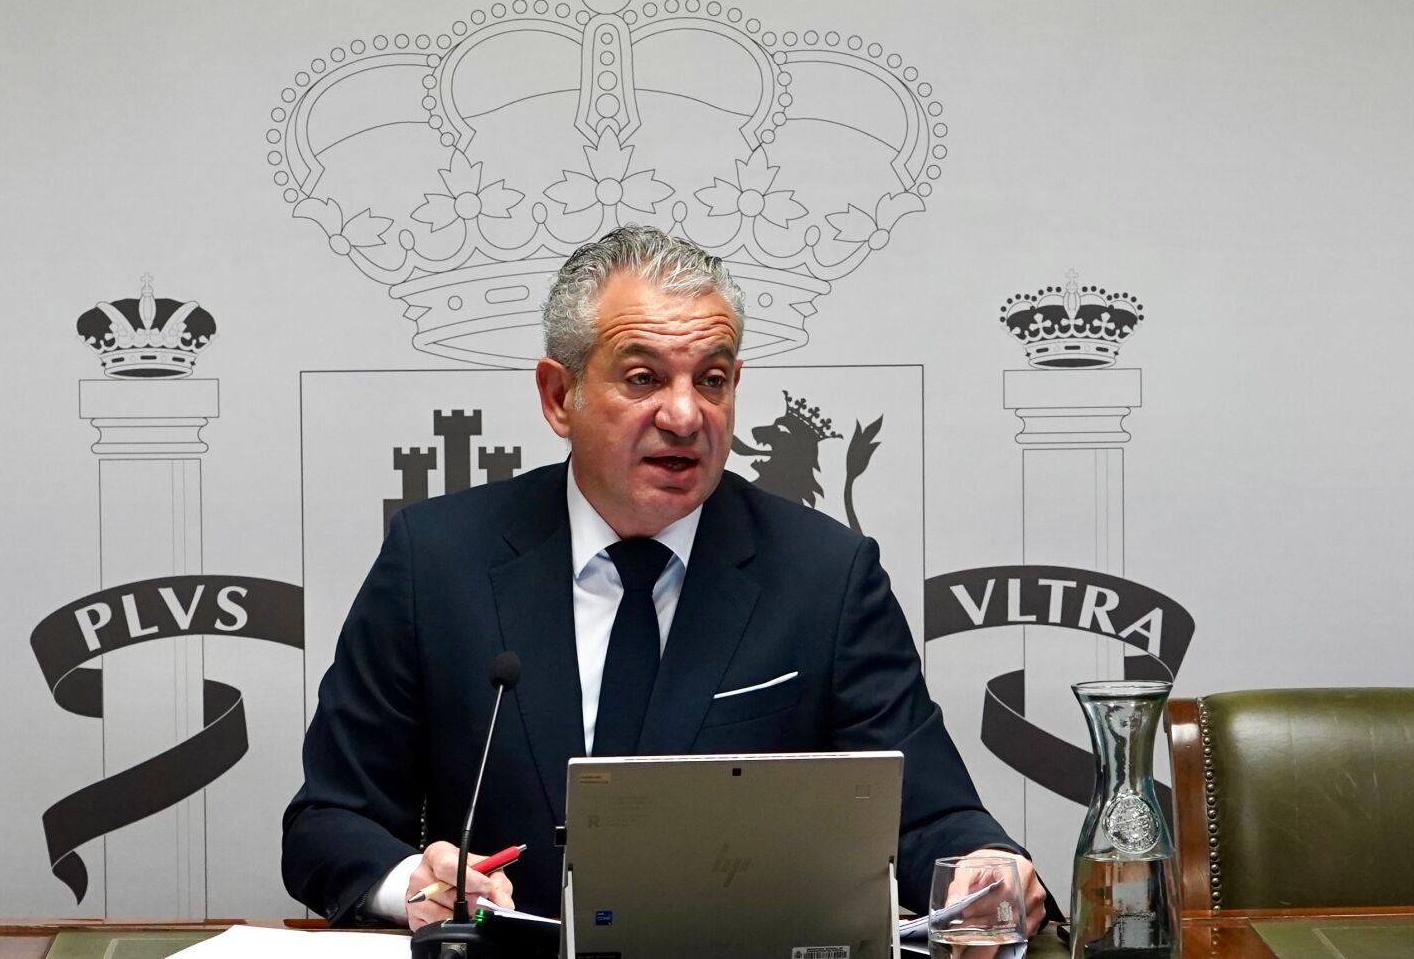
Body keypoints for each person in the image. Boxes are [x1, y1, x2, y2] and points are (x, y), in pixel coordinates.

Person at [282, 225, 1050, 931]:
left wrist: (984, 866)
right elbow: (327, 821)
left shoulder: (825, 577)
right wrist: (413, 881)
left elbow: (928, 819)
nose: (685, 415)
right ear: (559, 395)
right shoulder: (437, 562)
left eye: (711, 380)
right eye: (644, 377)